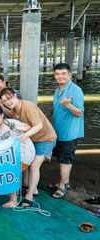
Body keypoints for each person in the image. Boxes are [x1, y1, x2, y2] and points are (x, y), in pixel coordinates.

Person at [0, 88, 57, 207]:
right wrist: (0, 108)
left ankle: (29, 195)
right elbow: (11, 114)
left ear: (15, 96)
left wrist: (25, 135)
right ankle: (32, 188)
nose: (8, 102)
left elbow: (39, 125)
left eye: (9, 98)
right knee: (26, 162)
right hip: (33, 139)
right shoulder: (14, 108)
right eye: (4, 101)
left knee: (34, 166)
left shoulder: (28, 107)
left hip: (45, 138)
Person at [0, 105, 35, 208]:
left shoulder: (10, 122)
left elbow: (29, 127)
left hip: (25, 153)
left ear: (2, 115)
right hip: (15, 155)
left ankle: (13, 200)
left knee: (10, 172)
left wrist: (16, 128)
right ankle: (11, 191)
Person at [50, 63, 84, 199]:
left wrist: (68, 105)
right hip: (59, 130)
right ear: (54, 76)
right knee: (61, 157)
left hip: (70, 132)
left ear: (69, 75)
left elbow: (79, 113)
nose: (60, 76)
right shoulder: (58, 90)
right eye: (57, 74)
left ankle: (63, 187)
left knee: (65, 160)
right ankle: (64, 182)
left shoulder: (75, 90)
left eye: (63, 74)